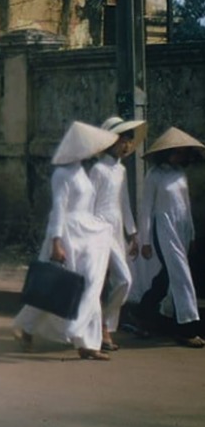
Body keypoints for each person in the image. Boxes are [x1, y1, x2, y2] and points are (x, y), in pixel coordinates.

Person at [14, 121, 120, 361]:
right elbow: (59, 209)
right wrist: (56, 242)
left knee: (91, 283)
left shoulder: (81, 170)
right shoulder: (62, 174)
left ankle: (87, 343)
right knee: (55, 286)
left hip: (87, 232)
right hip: (68, 234)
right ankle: (28, 328)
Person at [136, 127, 205, 348]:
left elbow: (186, 207)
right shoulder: (153, 176)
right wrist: (144, 241)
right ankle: (186, 328)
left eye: (184, 153)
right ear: (168, 152)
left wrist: (192, 234)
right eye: (179, 151)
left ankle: (144, 312)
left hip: (182, 228)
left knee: (169, 276)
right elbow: (146, 209)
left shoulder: (180, 174)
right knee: (181, 276)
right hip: (163, 228)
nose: (182, 156)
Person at [89, 116, 147, 351]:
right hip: (99, 229)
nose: (127, 146)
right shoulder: (98, 169)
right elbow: (90, 203)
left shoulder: (120, 170)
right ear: (110, 141)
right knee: (114, 280)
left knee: (121, 280)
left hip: (116, 231)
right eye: (123, 140)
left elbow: (123, 202)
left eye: (129, 142)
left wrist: (132, 233)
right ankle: (101, 329)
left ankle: (103, 325)